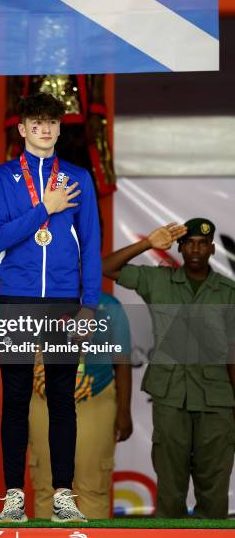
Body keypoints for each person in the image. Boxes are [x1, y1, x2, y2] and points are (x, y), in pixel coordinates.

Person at [0, 93, 101, 523]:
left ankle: (63, 497)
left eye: (52, 122)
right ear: (22, 129)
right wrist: (44, 209)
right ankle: (13, 496)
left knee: (61, 399)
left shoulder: (78, 178)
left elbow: (91, 245)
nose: (45, 129)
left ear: (59, 127)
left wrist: (88, 305)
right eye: (36, 122)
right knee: (14, 398)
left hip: (63, 302)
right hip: (16, 298)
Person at [102, 219, 235, 518]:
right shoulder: (158, 281)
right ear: (180, 247)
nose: (196, 249)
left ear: (212, 248)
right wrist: (146, 243)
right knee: (170, 487)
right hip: (170, 396)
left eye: (202, 243)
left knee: (213, 487)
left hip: (216, 400)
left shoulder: (229, 292)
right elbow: (106, 267)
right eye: (189, 243)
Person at [28, 292, 132, 519]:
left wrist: (124, 410)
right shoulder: (34, 300)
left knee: (92, 487)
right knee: (47, 487)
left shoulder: (109, 306)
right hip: (45, 400)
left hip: (93, 401)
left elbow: (122, 361)